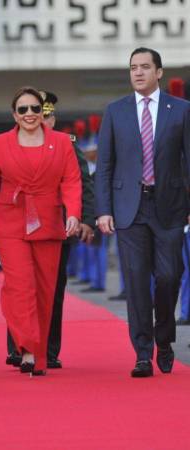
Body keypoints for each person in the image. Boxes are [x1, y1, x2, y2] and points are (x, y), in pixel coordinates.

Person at [95, 47, 190, 377]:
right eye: (133, 67)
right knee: (136, 282)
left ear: (159, 72)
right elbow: (104, 165)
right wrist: (103, 210)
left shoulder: (180, 110)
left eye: (145, 67)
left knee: (168, 276)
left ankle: (164, 340)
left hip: (170, 208)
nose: (138, 73)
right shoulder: (115, 111)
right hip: (128, 209)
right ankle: (142, 353)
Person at [0, 86, 81, 376]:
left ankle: (37, 351)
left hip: (48, 222)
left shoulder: (61, 143)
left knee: (45, 290)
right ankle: (28, 349)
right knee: (20, 286)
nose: (29, 114)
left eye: (35, 108)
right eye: (23, 109)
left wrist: (73, 213)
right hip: (9, 222)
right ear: (14, 114)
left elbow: (72, 181)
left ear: (42, 112)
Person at [6, 90, 94, 369]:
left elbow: (84, 186)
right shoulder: (11, 144)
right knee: (19, 287)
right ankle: (19, 347)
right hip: (20, 229)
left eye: (46, 115)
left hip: (57, 229)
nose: (39, 120)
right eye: (34, 114)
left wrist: (85, 220)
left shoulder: (67, 145)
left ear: (53, 119)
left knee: (52, 291)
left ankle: (49, 350)